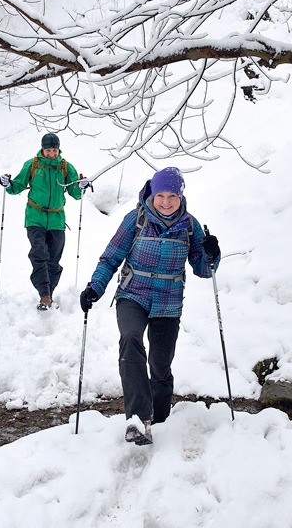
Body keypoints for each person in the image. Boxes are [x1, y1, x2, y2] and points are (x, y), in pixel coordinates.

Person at [79, 167, 220, 445]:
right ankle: (138, 418)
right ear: (152, 195)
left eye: (172, 196)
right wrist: (95, 287)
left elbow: (204, 270)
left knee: (160, 365)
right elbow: (110, 258)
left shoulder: (190, 226)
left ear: (180, 196)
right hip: (133, 294)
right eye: (160, 196)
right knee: (130, 339)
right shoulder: (136, 220)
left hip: (168, 303)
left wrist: (212, 254)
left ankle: (161, 422)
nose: (166, 202)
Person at [0, 133, 91, 311]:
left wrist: (81, 186)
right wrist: (7, 183)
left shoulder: (65, 167)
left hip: (57, 219)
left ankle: (48, 292)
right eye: (48, 150)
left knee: (54, 260)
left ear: (58, 149)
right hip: (35, 217)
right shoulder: (33, 165)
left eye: (54, 150)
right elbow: (17, 186)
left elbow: (74, 193)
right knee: (39, 253)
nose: (51, 153)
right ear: (43, 149)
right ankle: (45, 295)